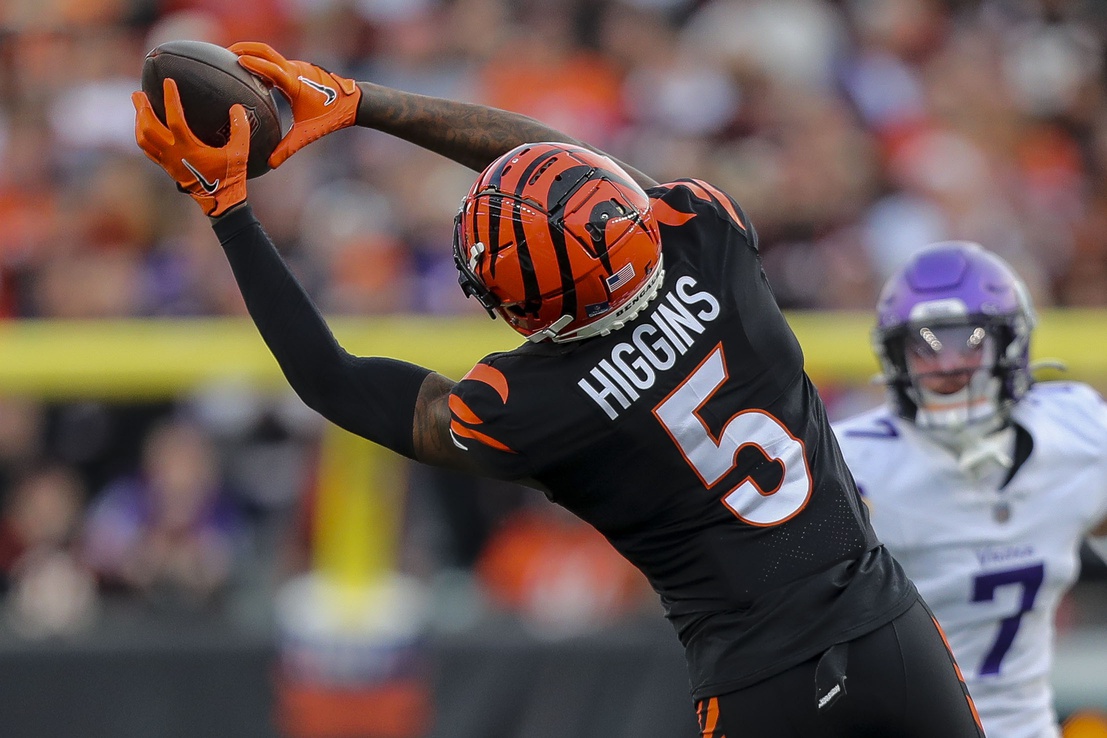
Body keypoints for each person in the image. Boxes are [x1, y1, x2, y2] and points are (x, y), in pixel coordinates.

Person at [131, 42, 986, 737]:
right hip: (885, 632)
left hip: (758, 682)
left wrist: (226, 208)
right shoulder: (704, 234)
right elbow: (569, 171)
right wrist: (363, 101)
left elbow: (333, 383)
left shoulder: (532, 407)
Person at [833, 241, 1107, 738]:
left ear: (1011, 344)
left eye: (970, 341)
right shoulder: (856, 463)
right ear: (896, 356)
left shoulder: (1077, 435)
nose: (947, 365)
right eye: (925, 346)